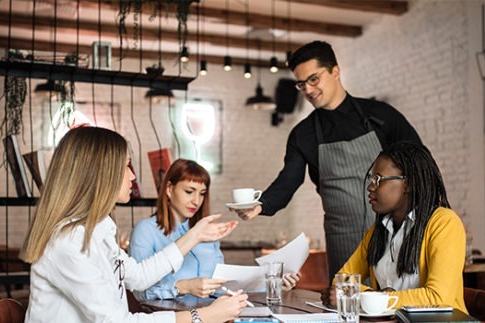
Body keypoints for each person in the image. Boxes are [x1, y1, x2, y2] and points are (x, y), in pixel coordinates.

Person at [232, 41, 421, 280]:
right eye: (301, 84)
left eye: (314, 79)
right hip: (343, 240)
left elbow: (419, 164)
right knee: (346, 306)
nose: (308, 90)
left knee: (396, 302)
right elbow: (289, 180)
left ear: (335, 71)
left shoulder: (380, 115)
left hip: (394, 233)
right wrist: (261, 205)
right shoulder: (303, 134)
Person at [21, 127, 248, 323]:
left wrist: (194, 235)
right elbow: (118, 321)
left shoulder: (99, 231)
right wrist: (204, 317)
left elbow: (138, 276)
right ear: (100, 173)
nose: (132, 177)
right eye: (126, 166)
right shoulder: (69, 241)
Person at [321, 141, 467, 312]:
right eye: (371, 179)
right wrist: (375, 296)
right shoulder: (378, 231)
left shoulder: (444, 223)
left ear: (408, 184)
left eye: (378, 179)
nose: (370, 187)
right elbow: (342, 280)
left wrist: (374, 298)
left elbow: (439, 298)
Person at [130, 158, 300, 301]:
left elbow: (223, 287)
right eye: (189, 191)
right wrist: (183, 287)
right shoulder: (145, 230)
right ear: (169, 189)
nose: (196, 201)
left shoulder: (209, 233)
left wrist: (273, 283)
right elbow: (139, 292)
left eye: (202, 193)